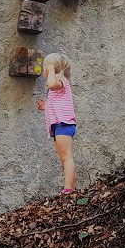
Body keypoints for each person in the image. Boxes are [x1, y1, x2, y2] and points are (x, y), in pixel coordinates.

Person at [36, 53, 77, 195]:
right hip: (60, 125)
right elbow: (58, 104)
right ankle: (73, 188)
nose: (45, 71)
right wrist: (45, 107)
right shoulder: (57, 86)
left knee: (66, 157)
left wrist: (51, 69)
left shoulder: (61, 82)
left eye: (46, 67)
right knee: (65, 158)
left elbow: (52, 83)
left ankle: (68, 189)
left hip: (64, 124)